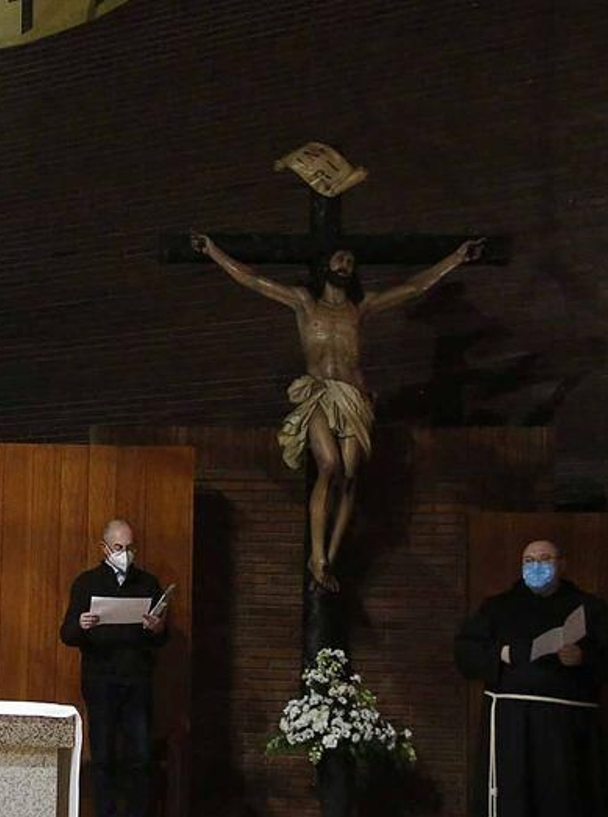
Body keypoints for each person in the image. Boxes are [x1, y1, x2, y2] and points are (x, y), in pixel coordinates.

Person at [192, 233, 484, 591]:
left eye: (350, 261)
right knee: (328, 465)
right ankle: (316, 555)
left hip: (354, 397)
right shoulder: (304, 303)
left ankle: (330, 556)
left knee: (348, 475)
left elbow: (413, 288)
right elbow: (254, 280)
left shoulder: (360, 308)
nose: (344, 264)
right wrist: (213, 251)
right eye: (339, 259)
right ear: (325, 266)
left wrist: (456, 257)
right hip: (318, 393)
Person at [454, 539, 608, 817]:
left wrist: (584, 658)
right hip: (510, 727)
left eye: (544, 559)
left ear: (562, 564)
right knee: (511, 805)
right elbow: (465, 651)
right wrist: (501, 655)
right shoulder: (498, 607)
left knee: (564, 805)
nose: (536, 566)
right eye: (529, 560)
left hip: (566, 730)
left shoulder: (588, 608)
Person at [59, 519, 169, 817]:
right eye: (119, 548)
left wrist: (155, 627)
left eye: (130, 548)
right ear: (104, 548)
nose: (126, 554)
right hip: (101, 681)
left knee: (139, 758)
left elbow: (162, 638)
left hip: (137, 682)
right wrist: (81, 624)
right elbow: (67, 634)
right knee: (103, 757)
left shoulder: (148, 583)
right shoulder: (87, 582)